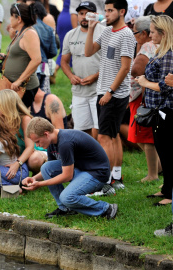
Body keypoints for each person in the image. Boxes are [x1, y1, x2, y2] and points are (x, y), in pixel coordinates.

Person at [22, 117, 118, 219]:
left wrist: (40, 184)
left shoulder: (65, 142)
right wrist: (34, 179)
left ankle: (106, 208)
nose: (38, 145)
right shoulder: (51, 141)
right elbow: (50, 171)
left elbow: (67, 176)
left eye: (38, 141)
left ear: (46, 134)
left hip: (97, 174)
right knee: (46, 167)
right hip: (81, 169)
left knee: (67, 197)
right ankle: (65, 208)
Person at [85, 0, 136, 190]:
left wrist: (109, 92)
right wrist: (91, 29)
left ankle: (105, 184)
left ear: (121, 11)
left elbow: (125, 68)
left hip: (113, 93)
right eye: (105, 10)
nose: (105, 14)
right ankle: (116, 178)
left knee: (104, 137)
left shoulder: (127, 35)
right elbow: (88, 51)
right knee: (113, 136)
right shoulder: (107, 31)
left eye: (110, 11)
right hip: (105, 91)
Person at [136, 15, 173, 209]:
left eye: (152, 31)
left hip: (166, 109)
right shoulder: (163, 51)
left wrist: (144, 83)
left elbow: (166, 86)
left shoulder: (169, 54)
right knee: (162, 148)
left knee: (167, 151)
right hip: (159, 110)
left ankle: (170, 193)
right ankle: (167, 188)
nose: (149, 35)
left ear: (163, 33)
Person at [61, 1, 105, 139]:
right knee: (81, 131)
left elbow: (111, 63)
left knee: (99, 131)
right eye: (81, 13)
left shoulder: (104, 32)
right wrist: (70, 76)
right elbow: (64, 61)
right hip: (79, 91)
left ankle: (101, 159)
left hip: (99, 90)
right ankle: (87, 158)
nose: (84, 17)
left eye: (88, 14)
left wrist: (95, 76)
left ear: (95, 15)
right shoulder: (70, 35)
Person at [128, 16, 161, 183]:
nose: (134, 36)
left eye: (135, 33)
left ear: (144, 33)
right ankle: (160, 167)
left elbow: (138, 70)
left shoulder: (147, 46)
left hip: (143, 98)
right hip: (151, 97)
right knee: (143, 136)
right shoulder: (160, 45)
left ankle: (153, 174)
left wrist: (144, 99)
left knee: (145, 137)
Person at [0, 89, 46, 175]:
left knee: (35, 159)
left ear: (6, 105)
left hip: (33, 153)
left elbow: (30, 147)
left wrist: (17, 163)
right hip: (14, 156)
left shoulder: (25, 119)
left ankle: (38, 175)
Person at [0, 3, 41, 109]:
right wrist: (6, 58)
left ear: (18, 19)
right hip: (14, 85)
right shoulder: (20, 32)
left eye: (11, 16)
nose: (9, 19)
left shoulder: (29, 33)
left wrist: (19, 80)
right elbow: (22, 55)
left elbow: (36, 60)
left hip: (23, 88)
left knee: (20, 118)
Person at [32, 2, 57, 93]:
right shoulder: (49, 29)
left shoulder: (28, 28)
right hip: (44, 66)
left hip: (31, 67)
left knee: (31, 96)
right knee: (43, 96)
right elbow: (54, 52)